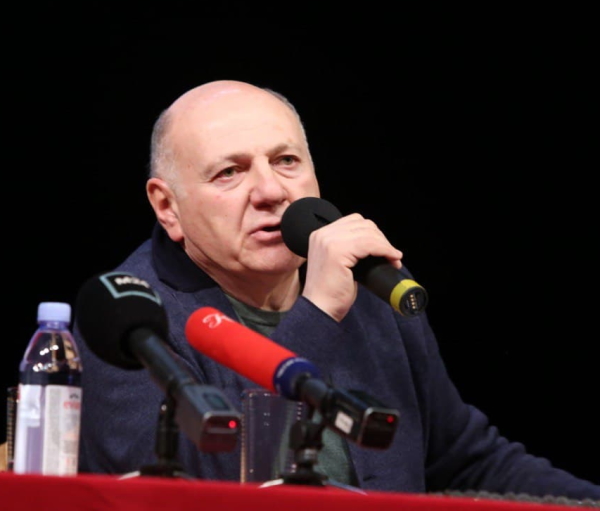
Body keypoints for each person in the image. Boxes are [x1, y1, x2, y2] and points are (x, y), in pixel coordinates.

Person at [73, 79, 600, 501]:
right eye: (230, 172)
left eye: (286, 161)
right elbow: (197, 485)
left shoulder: (367, 288)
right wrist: (318, 312)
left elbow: (464, 459)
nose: (271, 191)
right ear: (167, 207)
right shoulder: (128, 321)